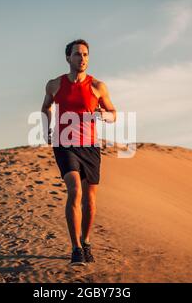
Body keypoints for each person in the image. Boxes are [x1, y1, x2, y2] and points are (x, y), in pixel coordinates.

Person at [40, 39, 116, 266]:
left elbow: (113, 112)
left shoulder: (98, 86)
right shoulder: (55, 84)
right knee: (74, 190)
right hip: (64, 144)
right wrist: (47, 129)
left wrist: (105, 116)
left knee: (90, 202)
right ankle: (76, 249)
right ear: (67, 58)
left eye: (85, 55)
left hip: (91, 146)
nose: (81, 59)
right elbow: (46, 106)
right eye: (77, 54)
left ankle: (87, 241)